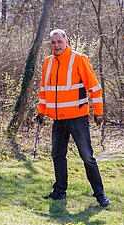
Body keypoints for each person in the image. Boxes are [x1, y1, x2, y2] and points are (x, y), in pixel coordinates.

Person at [36, 29, 110, 207]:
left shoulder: (79, 59)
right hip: (58, 120)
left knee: (87, 157)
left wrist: (98, 112)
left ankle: (100, 194)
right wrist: (40, 111)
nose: (56, 46)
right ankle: (60, 191)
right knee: (57, 155)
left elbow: (95, 88)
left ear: (66, 41)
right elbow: (43, 90)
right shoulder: (48, 62)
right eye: (53, 43)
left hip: (77, 118)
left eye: (59, 42)